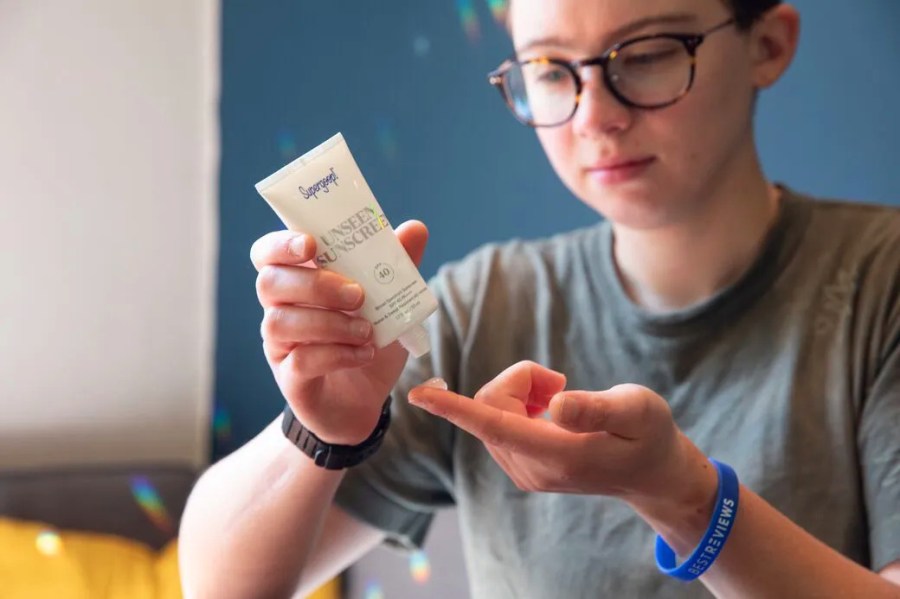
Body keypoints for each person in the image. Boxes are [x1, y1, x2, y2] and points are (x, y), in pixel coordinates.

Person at [179, 0, 900, 597]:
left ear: (768, 45)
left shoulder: (879, 282)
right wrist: (320, 436)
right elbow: (218, 588)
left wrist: (688, 499)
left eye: (646, 54)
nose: (595, 116)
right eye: (552, 71)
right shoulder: (481, 307)